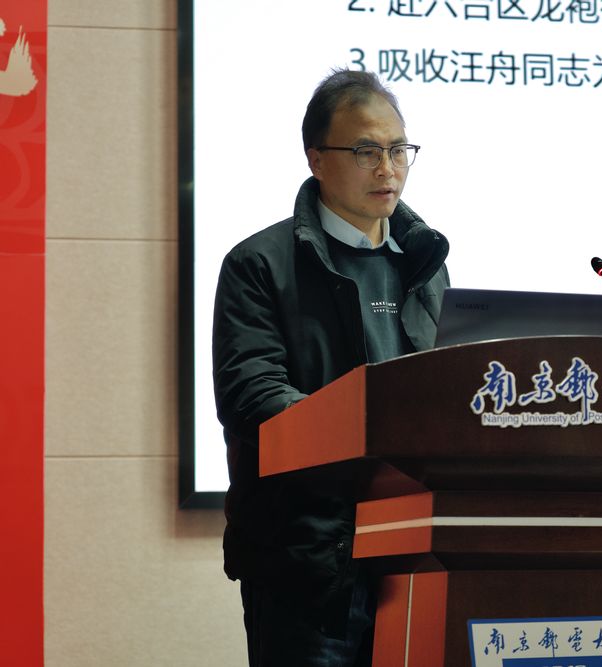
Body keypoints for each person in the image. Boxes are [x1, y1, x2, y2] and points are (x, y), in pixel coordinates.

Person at [212, 69, 450, 667]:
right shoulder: (259, 265)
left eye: (399, 150)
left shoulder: (424, 263)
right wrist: (371, 445)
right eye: (366, 151)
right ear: (316, 158)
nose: (387, 168)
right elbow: (253, 397)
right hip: (307, 565)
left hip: (416, 555)